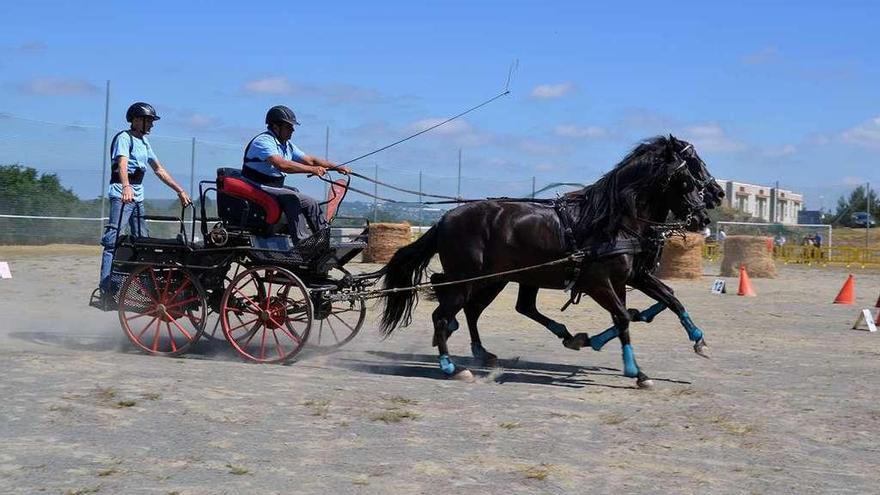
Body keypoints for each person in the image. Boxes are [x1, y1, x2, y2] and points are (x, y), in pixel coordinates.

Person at [98, 102, 191, 302]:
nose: (151, 125)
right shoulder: (125, 138)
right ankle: (106, 287)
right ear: (136, 120)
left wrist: (179, 190)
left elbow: (159, 169)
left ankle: (145, 288)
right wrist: (125, 187)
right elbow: (122, 164)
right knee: (112, 241)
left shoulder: (144, 142)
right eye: (148, 120)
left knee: (143, 242)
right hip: (123, 196)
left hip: (137, 197)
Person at [242, 105, 350, 241]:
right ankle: (303, 242)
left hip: (273, 187)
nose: (292, 130)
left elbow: (310, 160)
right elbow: (282, 165)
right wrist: (313, 170)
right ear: (276, 127)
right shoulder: (263, 141)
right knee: (292, 199)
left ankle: (325, 240)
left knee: (310, 202)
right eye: (288, 127)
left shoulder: (286, 145)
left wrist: (337, 167)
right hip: (257, 185)